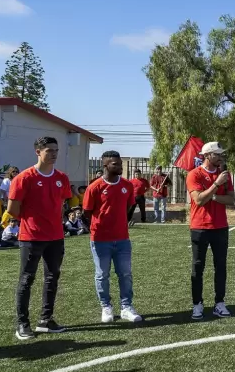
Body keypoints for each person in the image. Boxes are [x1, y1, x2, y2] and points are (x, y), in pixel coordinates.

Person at [8, 136, 72, 340]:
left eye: (56, 150)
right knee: (27, 279)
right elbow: (12, 209)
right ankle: (22, 324)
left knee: (52, 277)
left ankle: (45, 320)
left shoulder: (62, 177)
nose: (53, 154)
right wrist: (32, 222)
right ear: (38, 152)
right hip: (31, 237)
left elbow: (60, 203)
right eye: (49, 150)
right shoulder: (24, 178)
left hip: (55, 237)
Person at [82, 150, 142, 324]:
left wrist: (121, 223)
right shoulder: (94, 187)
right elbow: (86, 213)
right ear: (105, 165)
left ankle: (126, 307)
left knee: (125, 274)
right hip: (100, 240)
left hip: (123, 239)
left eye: (120, 163)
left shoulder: (127, 185)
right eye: (115, 164)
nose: (120, 166)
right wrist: (96, 229)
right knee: (102, 275)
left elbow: (129, 207)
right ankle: (106, 306)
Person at [186, 142, 234, 320]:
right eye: (217, 154)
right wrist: (216, 185)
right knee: (198, 267)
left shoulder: (225, 175)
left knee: (220, 267)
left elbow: (230, 199)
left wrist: (213, 196)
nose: (221, 156)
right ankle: (197, 304)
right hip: (199, 227)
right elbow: (198, 200)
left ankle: (219, 303)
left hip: (221, 227)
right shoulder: (194, 174)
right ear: (207, 155)